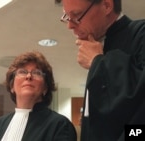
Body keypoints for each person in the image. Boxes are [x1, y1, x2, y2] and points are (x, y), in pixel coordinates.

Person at [57, 0, 145, 140]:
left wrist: (98, 62)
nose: (70, 25)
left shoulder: (141, 33)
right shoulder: (98, 45)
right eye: (66, 17)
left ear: (106, 5)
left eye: (76, 15)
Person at [0, 51, 77, 141]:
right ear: (12, 86)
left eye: (37, 73)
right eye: (22, 72)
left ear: (45, 87)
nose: (29, 76)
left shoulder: (60, 125)